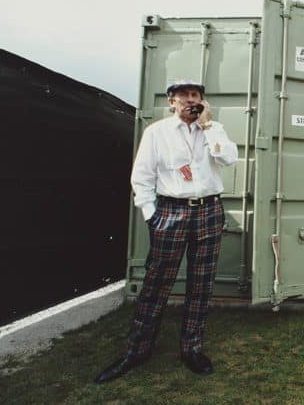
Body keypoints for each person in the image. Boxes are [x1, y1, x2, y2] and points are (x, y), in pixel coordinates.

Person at [94, 80, 238, 383]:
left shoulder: (214, 129)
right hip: (171, 211)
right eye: (183, 96)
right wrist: (152, 216)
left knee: (201, 282)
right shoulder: (157, 133)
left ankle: (192, 349)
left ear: (203, 102)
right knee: (157, 282)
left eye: (196, 95)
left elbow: (229, 158)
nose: (190, 100)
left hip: (209, 211)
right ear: (171, 102)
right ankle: (137, 350)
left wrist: (209, 127)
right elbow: (142, 177)